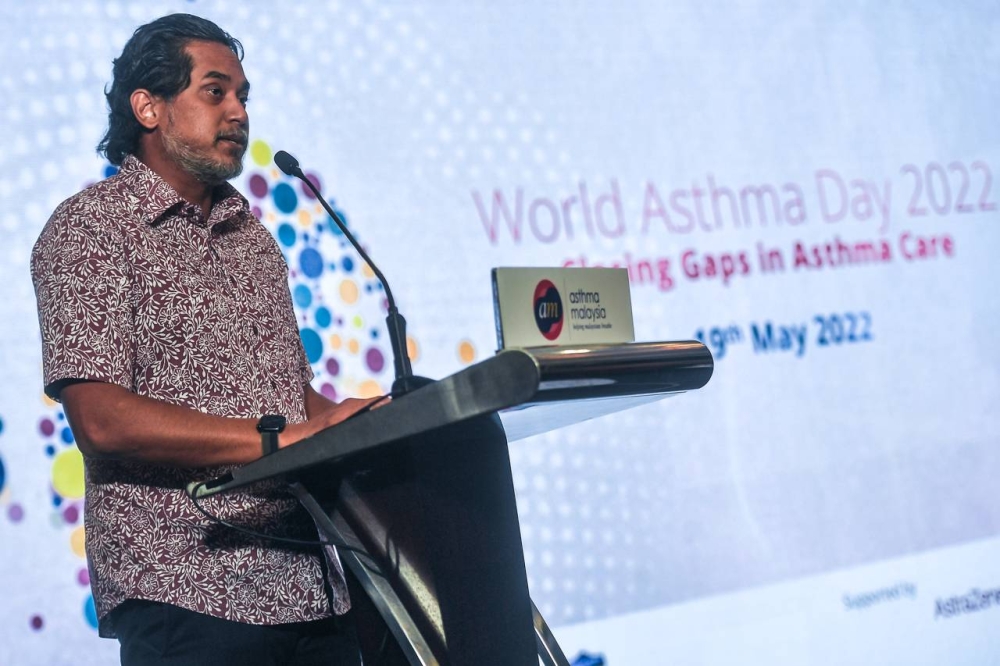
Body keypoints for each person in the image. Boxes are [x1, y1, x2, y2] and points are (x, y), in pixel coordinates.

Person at [30, 13, 377, 665]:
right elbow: (101, 420)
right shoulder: (90, 228)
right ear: (149, 107)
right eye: (215, 92)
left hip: (309, 586)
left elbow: (286, 395)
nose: (238, 112)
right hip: (186, 593)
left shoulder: (253, 239)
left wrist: (361, 423)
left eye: (243, 96)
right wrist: (277, 440)